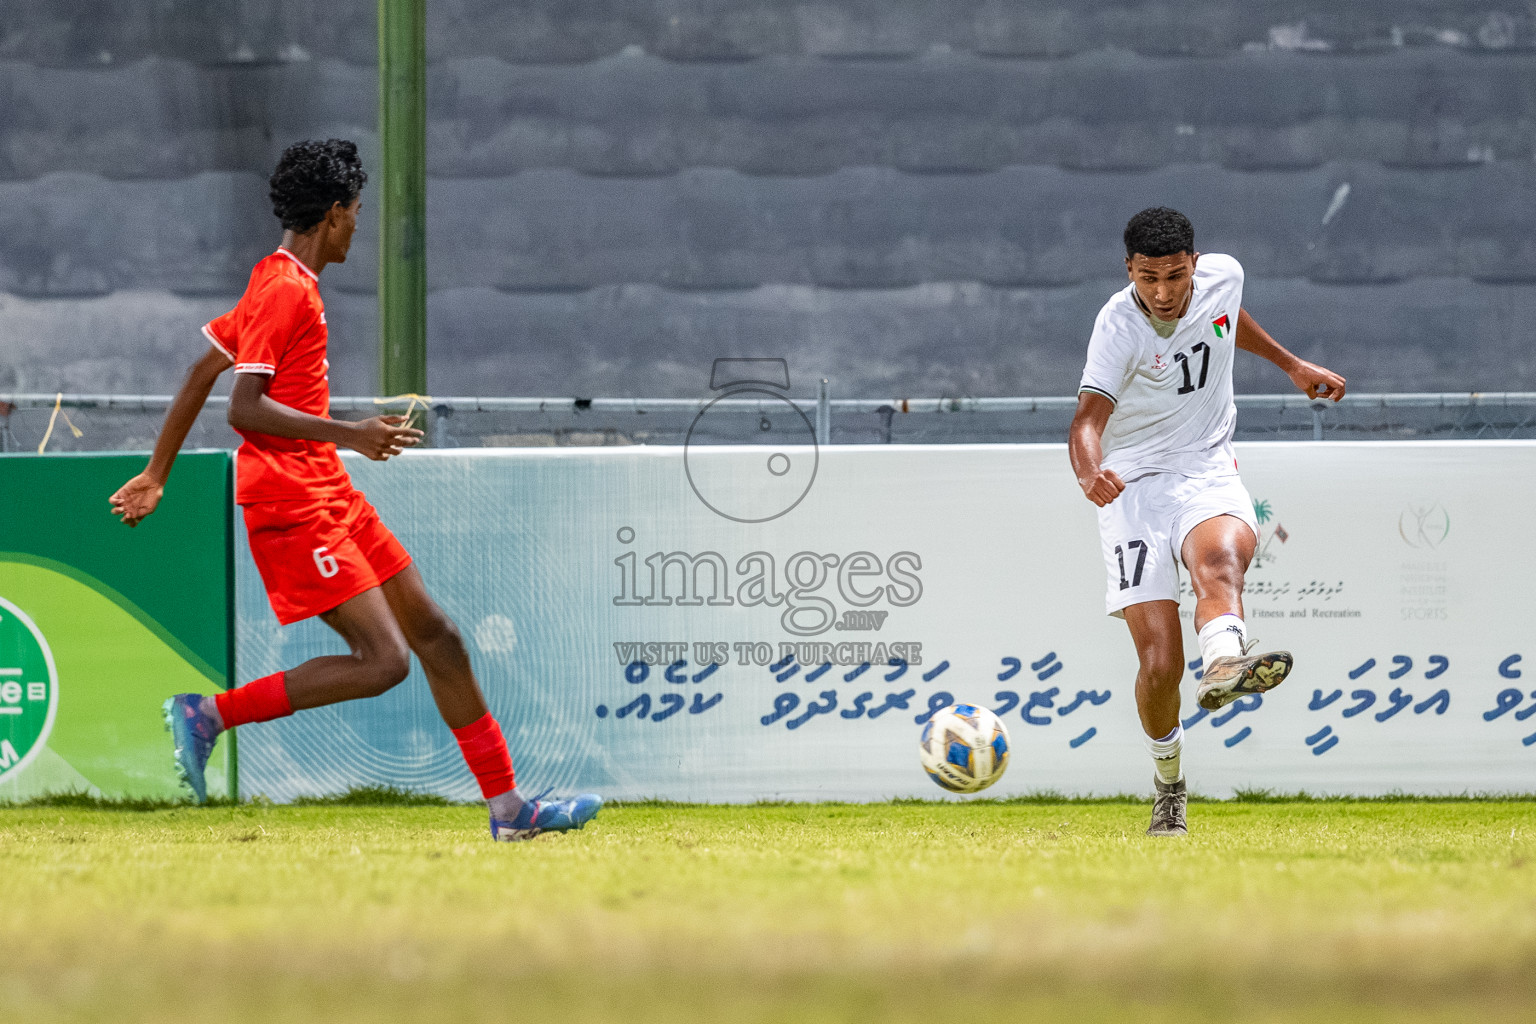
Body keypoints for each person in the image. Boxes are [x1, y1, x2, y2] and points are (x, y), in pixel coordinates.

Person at [109, 138, 600, 841]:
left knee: (439, 636)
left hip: (328, 490)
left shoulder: (276, 280)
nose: (359, 228)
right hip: (291, 501)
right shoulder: (282, 292)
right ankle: (210, 714)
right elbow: (242, 408)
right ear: (334, 214)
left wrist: (159, 474)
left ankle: (511, 812)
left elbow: (197, 373)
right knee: (386, 661)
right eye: (357, 213)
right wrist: (355, 433)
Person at [1068, 207, 1346, 837]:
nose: (1162, 293)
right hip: (1132, 486)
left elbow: (1225, 323)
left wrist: (1292, 365)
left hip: (1206, 467)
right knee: (1161, 664)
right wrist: (1090, 473)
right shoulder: (1117, 326)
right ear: (1129, 271)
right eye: (1147, 278)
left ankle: (1225, 660)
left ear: (1195, 264)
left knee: (1219, 563)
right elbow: (1086, 421)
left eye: (1173, 276)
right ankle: (1170, 782)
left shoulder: (1224, 278)